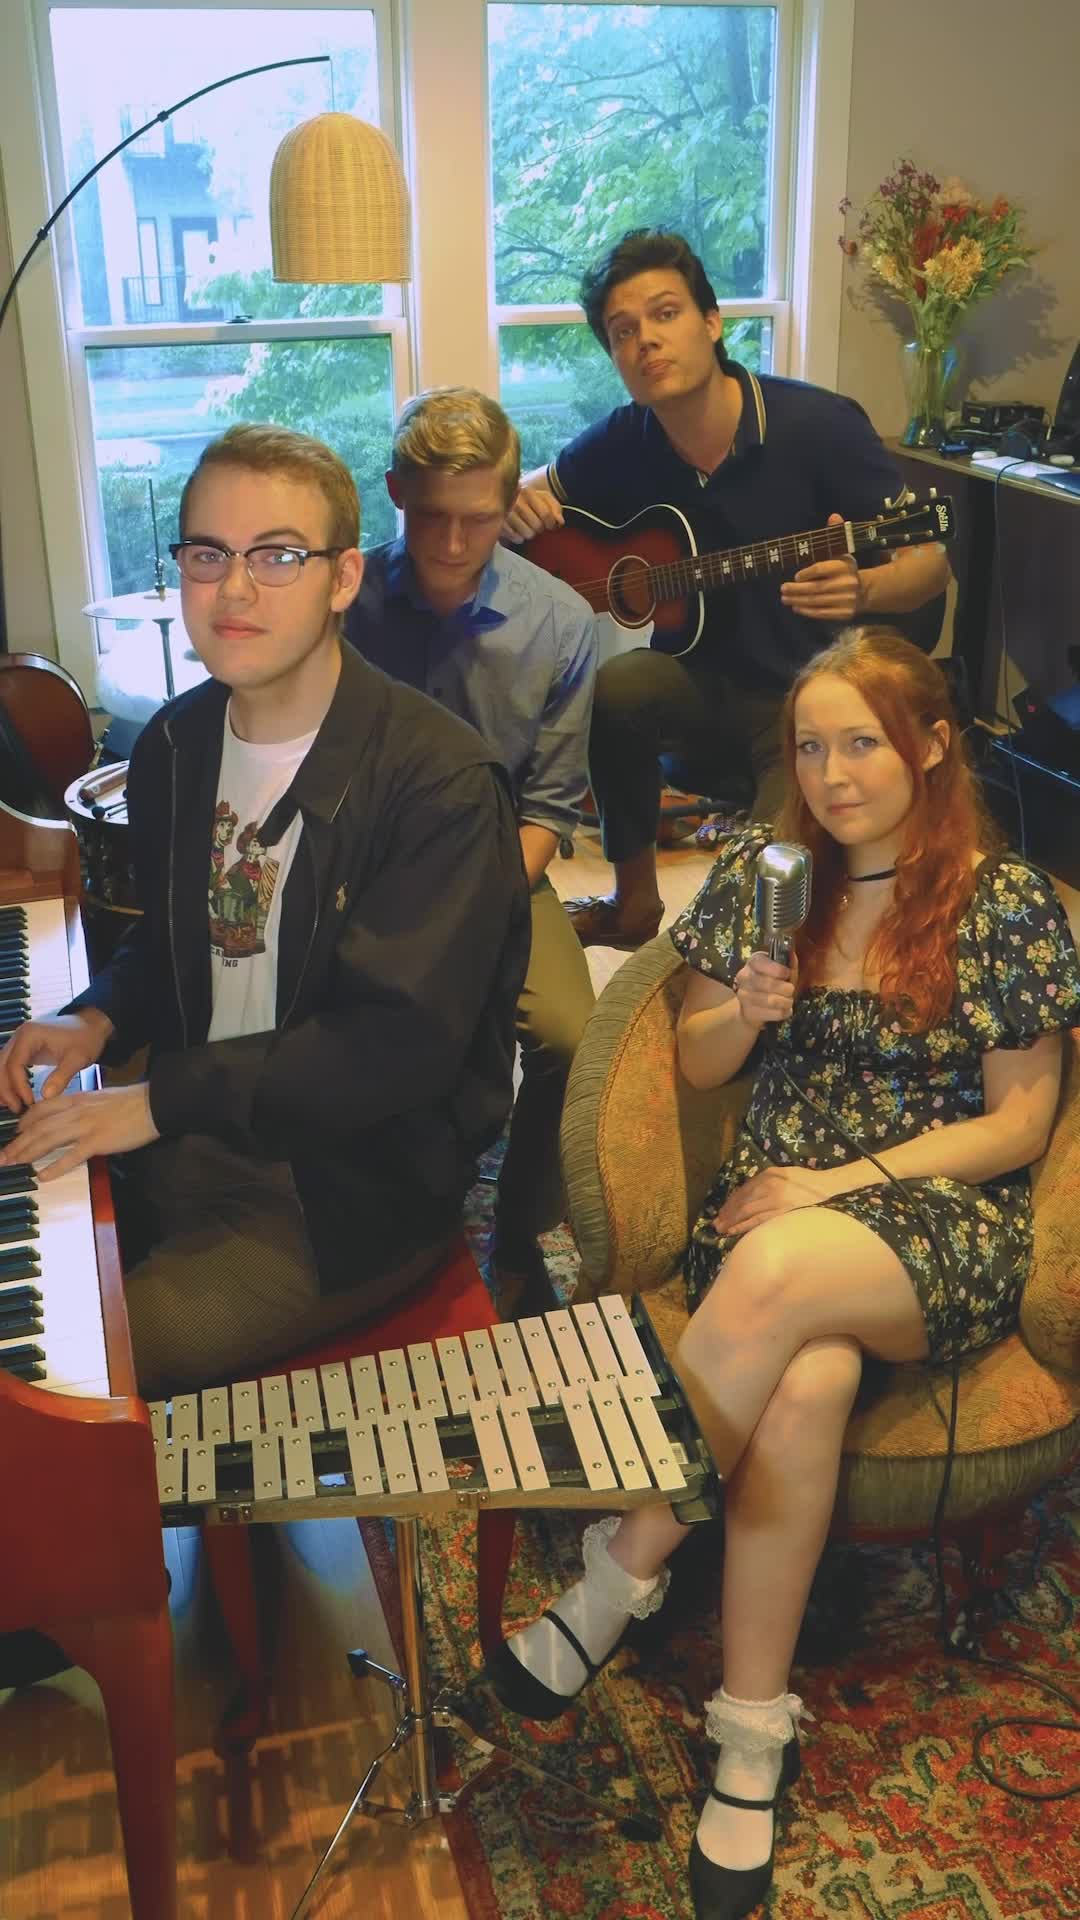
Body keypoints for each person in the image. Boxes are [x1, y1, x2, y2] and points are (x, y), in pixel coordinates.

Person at [485, 629, 1080, 1920]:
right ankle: (751, 1738)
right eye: (810, 746)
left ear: (932, 746)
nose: (831, 774)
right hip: (768, 1220)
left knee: (779, 1273)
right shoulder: (768, 880)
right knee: (803, 1384)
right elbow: (697, 1063)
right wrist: (742, 1013)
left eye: (862, 743)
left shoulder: (1004, 900)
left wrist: (833, 1184)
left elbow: (1021, 1125)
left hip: (932, 1218)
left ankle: (617, 1572)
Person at [0, 424, 531, 1394]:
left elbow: (390, 1052)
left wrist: (153, 1103)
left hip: (337, 1193)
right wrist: (98, 1015)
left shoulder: (441, 786)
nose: (234, 590)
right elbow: (183, 940)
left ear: (342, 578)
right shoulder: (173, 744)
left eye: (277, 556)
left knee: (63, 1379)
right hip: (192, 1131)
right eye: (208, 555)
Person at [503, 228, 952, 952]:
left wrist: (864, 588)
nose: (647, 341)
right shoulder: (626, 439)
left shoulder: (818, 425)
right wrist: (513, 505)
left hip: (814, 706)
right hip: (705, 688)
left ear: (711, 322)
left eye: (666, 313)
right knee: (618, 686)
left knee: (765, 913)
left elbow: (931, 565)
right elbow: (530, 493)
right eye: (623, 331)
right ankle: (633, 902)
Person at [346, 387, 598, 1315]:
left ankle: (522, 1233)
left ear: (510, 502)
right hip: (362, 873)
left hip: (501, 874)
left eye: (481, 520)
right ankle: (364, 1224)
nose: (454, 544)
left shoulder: (561, 623)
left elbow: (549, 809)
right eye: (432, 517)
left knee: (572, 1035)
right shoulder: (343, 601)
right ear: (395, 494)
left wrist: (470, 920)